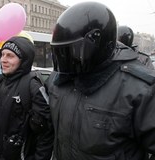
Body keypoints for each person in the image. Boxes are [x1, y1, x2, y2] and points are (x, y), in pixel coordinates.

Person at [46, 2, 155, 160]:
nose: (67, 61)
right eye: (61, 53)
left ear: (98, 43)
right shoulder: (58, 80)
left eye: (72, 53)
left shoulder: (140, 89)